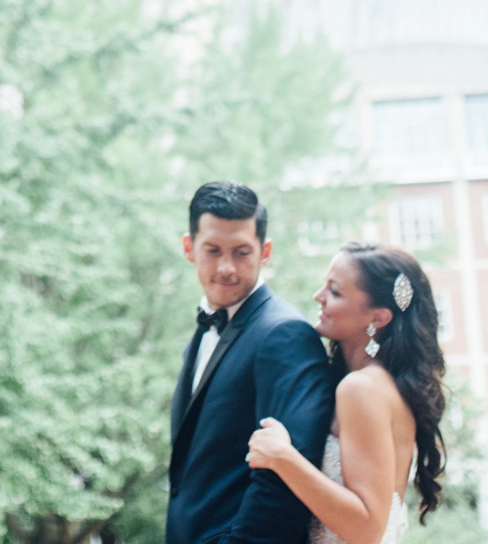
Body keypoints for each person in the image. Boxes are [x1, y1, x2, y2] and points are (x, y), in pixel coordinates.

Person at [244, 244, 449, 544]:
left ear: (378, 318)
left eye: (335, 292)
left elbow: (367, 529)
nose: (319, 296)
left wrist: (282, 457)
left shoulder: (362, 389)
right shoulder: (380, 385)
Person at [167, 181, 336, 544]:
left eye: (242, 252)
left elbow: (287, 483)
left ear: (265, 252)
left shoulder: (285, 335)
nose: (227, 267)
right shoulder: (201, 333)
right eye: (212, 250)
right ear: (188, 248)